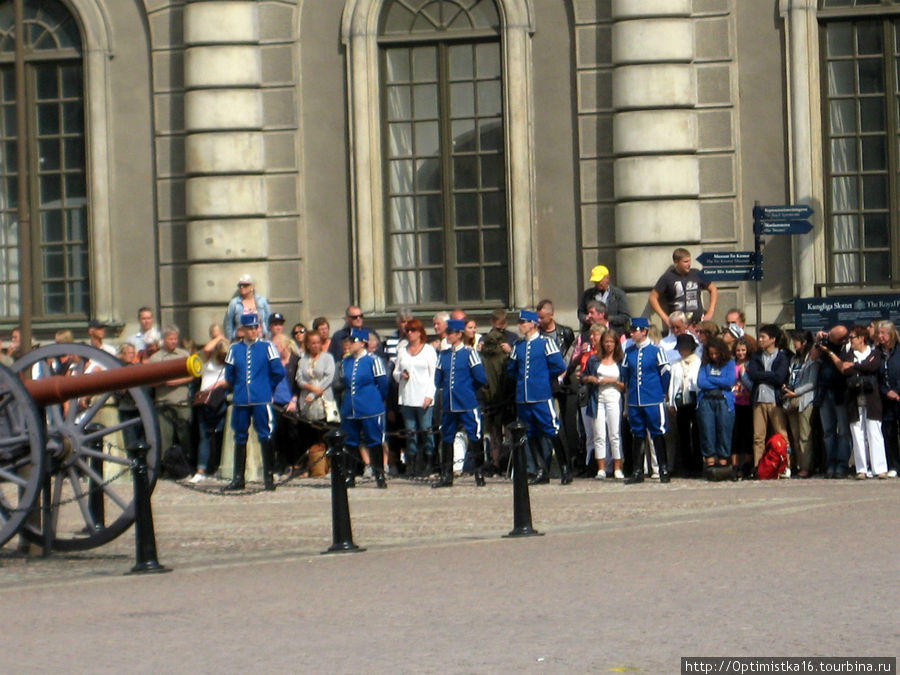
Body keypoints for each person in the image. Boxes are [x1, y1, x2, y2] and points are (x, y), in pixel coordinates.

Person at [508, 310, 572, 485]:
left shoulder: (546, 343)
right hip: (524, 397)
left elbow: (559, 366)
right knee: (530, 434)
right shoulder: (518, 345)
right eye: (520, 323)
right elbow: (512, 370)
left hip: (541, 396)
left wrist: (542, 378)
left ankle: (565, 468)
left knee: (553, 430)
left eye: (523, 322)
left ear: (533, 324)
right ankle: (540, 470)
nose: (520, 326)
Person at [222, 313, 285, 491]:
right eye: (249, 328)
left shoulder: (267, 347)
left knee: (265, 435)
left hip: (261, 399)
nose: (253, 331)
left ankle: (269, 477)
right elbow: (230, 374)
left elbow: (278, 371)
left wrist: (266, 387)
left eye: (255, 327)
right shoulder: (234, 349)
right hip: (241, 399)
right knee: (240, 436)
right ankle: (238, 478)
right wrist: (238, 388)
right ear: (242, 330)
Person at [821, 326, 887, 479]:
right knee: (857, 433)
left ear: (861, 338)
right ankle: (862, 468)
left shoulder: (874, 353)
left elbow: (872, 366)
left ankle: (879, 468)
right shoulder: (848, 354)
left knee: (874, 432)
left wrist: (856, 366)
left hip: (871, 399)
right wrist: (855, 368)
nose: (850, 340)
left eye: (853, 337)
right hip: (854, 399)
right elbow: (845, 370)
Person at [432, 319, 487, 487]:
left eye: (450, 333)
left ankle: (479, 473)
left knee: (475, 435)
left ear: (458, 334)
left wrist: (467, 390)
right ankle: (447, 475)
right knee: (447, 438)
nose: (447, 336)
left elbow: (481, 378)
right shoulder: (444, 355)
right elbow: (438, 380)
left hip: (467, 402)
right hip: (449, 404)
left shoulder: (470, 354)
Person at [621, 317, 671, 484]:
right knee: (638, 435)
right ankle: (637, 471)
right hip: (635, 400)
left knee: (657, 433)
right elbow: (626, 376)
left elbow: (665, 373)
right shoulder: (629, 353)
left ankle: (663, 468)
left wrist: (662, 393)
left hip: (653, 398)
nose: (632, 333)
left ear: (644, 331)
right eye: (632, 330)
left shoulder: (656, 351)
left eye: (635, 330)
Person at [339, 327, 389, 488]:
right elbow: (343, 382)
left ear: (363, 343)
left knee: (374, 441)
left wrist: (375, 401)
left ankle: (379, 474)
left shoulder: (373, 360)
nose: (350, 344)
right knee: (350, 442)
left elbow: (383, 385)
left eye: (353, 341)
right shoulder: (346, 361)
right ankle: (349, 475)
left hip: (369, 407)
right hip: (350, 408)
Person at [746, 324, 791, 477]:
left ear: (772, 339)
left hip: (775, 400)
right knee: (758, 436)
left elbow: (780, 377)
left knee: (781, 434)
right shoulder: (756, 356)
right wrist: (769, 374)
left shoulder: (782, 356)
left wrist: (763, 374)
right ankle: (759, 467)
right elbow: (752, 374)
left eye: (763, 337)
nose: (760, 340)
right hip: (759, 400)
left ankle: (786, 465)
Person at [394, 319, 437, 478]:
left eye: (413, 330)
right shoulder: (402, 351)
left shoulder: (428, 351)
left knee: (426, 431)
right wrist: (401, 375)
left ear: (420, 332)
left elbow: (433, 375)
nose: (410, 333)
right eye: (408, 331)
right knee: (410, 432)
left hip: (423, 396)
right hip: (407, 396)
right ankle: (411, 464)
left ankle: (429, 463)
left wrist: (429, 395)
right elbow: (395, 373)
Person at [582, 327, 625, 479]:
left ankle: (617, 467)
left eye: (611, 342)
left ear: (615, 343)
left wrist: (613, 381)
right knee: (599, 434)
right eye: (606, 342)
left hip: (614, 397)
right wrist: (591, 379)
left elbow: (625, 385)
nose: (608, 345)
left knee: (614, 434)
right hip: (597, 397)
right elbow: (584, 376)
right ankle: (601, 468)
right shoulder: (594, 359)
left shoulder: (620, 361)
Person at [293, 329, 336, 476]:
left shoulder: (327, 358)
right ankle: (311, 466)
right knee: (309, 435)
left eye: (318, 343)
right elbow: (299, 378)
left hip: (323, 400)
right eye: (313, 343)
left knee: (325, 433)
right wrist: (310, 389)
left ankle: (328, 466)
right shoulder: (303, 360)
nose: (316, 346)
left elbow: (328, 378)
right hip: (307, 401)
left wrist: (315, 392)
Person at [479, 308, 517, 474]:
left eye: (504, 324)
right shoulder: (483, 340)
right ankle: (497, 463)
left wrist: (511, 350)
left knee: (507, 428)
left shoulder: (512, 338)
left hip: (505, 389)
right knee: (495, 431)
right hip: (492, 391)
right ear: (492, 323)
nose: (501, 328)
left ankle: (507, 461)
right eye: (499, 325)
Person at [190, 325, 229, 483]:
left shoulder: (229, 362)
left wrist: (220, 384)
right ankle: (201, 469)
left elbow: (233, 379)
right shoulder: (208, 361)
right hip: (206, 401)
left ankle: (219, 467)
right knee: (204, 436)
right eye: (221, 355)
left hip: (221, 400)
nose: (222, 358)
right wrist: (219, 337)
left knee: (220, 436)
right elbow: (205, 350)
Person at [148, 325, 193, 462]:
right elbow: (150, 382)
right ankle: (165, 467)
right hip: (163, 403)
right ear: (164, 340)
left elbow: (193, 376)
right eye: (170, 339)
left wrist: (178, 381)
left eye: (175, 339)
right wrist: (164, 382)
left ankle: (187, 464)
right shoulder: (155, 358)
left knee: (185, 436)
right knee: (164, 438)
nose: (173, 341)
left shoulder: (184, 355)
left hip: (182, 402)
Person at [695, 336, 737, 479]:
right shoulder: (705, 364)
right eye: (711, 354)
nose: (713, 356)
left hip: (723, 401)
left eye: (716, 354)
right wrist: (720, 382)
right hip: (706, 401)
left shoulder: (730, 363)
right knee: (708, 431)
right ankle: (710, 465)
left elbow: (730, 381)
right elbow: (701, 382)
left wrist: (711, 379)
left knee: (724, 431)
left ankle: (723, 465)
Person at [814, 324, 852, 478]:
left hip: (841, 392)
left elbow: (843, 367)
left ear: (842, 340)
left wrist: (829, 352)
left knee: (843, 431)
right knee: (828, 431)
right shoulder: (825, 342)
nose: (829, 339)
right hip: (824, 391)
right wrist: (818, 342)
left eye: (832, 338)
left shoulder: (847, 348)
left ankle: (842, 464)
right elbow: (813, 356)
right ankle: (831, 463)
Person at [782, 330, 820, 478]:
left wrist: (796, 392)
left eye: (796, 340)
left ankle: (807, 466)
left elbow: (812, 382)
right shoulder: (794, 359)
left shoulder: (812, 360)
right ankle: (798, 464)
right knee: (795, 435)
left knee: (805, 435)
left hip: (804, 399)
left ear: (803, 342)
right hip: (791, 398)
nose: (794, 343)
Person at [648, 247, 718, 326]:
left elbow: (713, 289)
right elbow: (652, 298)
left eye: (689, 261)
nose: (689, 264)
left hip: (698, 324)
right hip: (678, 326)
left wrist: (710, 311)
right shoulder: (667, 277)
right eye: (685, 262)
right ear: (676, 262)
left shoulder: (696, 274)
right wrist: (666, 318)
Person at [667, 333, 701, 477]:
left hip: (695, 400)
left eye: (685, 348)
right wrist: (671, 402)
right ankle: (686, 465)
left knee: (697, 433)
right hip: (681, 402)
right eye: (680, 348)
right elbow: (672, 385)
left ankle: (698, 465)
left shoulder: (698, 362)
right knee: (683, 433)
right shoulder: (675, 364)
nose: (683, 350)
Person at [876, 320, 900, 477]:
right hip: (886, 398)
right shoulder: (877, 353)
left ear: (891, 334)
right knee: (889, 432)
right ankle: (894, 465)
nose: (880, 336)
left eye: (883, 333)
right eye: (878, 333)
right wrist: (886, 391)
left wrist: (897, 391)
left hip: (899, 396)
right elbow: (876, 378)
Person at [577, 264, 631, 335]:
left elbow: (625, 316)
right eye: (595, 281)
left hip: (613, 332)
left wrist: (606, 319)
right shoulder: (588, 294)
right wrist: (586, 318)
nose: (597, 283)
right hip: (591, 332)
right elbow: (580, 312)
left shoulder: (618, 294)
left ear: (607, 278)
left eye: (599, 281)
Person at [731, 336, 756, 479]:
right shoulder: (731, 364)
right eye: (738, 350)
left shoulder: (751, 364)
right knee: (735, 435)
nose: (740, 353)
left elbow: (752, 386)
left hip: (747, 402)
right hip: (735, 402)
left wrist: (743, 374)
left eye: (743, 350)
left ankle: (746, 464)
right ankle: (734, 465)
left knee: (747, 434)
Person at [223, 274, 271, 342]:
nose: (242, 287)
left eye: (245, 285)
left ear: (252, 287)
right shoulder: (235, 303)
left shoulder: (262, 301)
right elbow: (228, 323)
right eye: (240, 285)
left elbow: (268, 320)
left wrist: (268, 337)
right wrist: (230, 340)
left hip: (260, 339)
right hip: (241, 340)